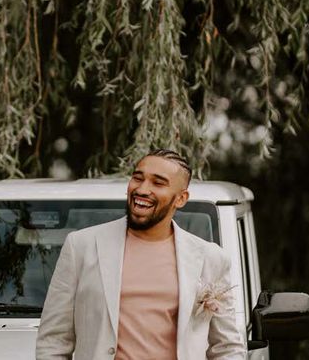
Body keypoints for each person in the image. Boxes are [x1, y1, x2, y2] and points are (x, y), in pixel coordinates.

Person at [36, 149, 246, 360]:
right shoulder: (81, 246)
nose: (142, 189)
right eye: (138, 178)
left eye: (158, 183)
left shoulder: (211, 258)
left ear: (181, 199)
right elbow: (53, 342)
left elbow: (227, 347)